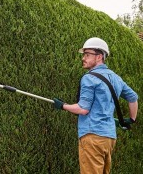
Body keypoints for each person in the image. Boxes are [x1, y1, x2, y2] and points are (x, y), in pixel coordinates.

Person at [53, 37, 138, 174]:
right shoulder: (116, 78)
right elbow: (133, 97)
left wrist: (63, 105)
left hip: (92, 136)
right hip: (109, 138)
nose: (83, 58)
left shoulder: (89, 78)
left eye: (87, 55)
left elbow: (83, 109)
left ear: (99, 56)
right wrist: (131, 119)